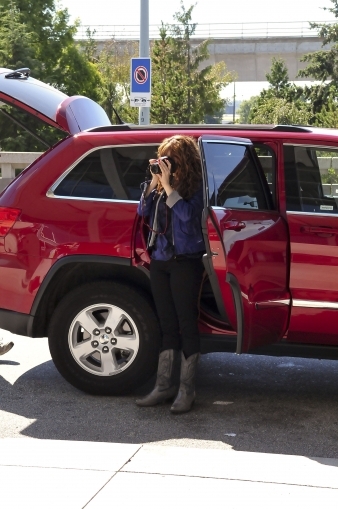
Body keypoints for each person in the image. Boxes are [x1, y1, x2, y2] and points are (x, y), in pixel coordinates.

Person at [136, 135, 205, 414]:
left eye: (169, 159)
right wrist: (154, 186)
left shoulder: (196, 187)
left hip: (186, 262)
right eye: (161, 158)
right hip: (161, 260)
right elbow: (142, 211)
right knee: (166, 323)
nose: (165, 164)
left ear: (183, 161)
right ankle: (163, 386)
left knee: (185, 322)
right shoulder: (159, 187)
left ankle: (187, 391)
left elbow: (189, 219)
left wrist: (169, 187)